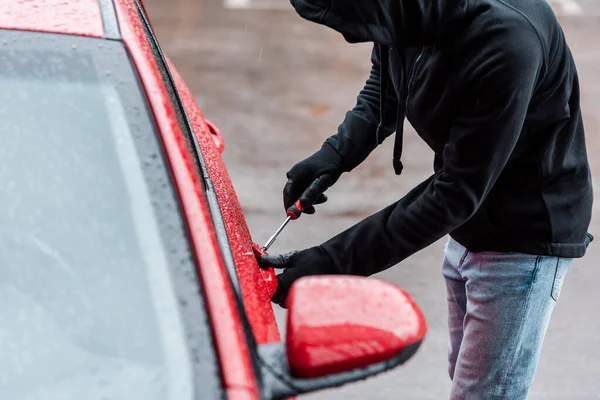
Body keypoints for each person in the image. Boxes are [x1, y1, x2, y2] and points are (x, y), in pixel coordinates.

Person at [257, 0, 594, 397]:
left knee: (484, 393)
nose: (351, 37)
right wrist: (337, 154)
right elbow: (386, 83)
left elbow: (454, 194)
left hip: (525, 239)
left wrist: (330, 263)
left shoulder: (507, 42)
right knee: (466, 375)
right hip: (473, 222)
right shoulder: (407, 13)